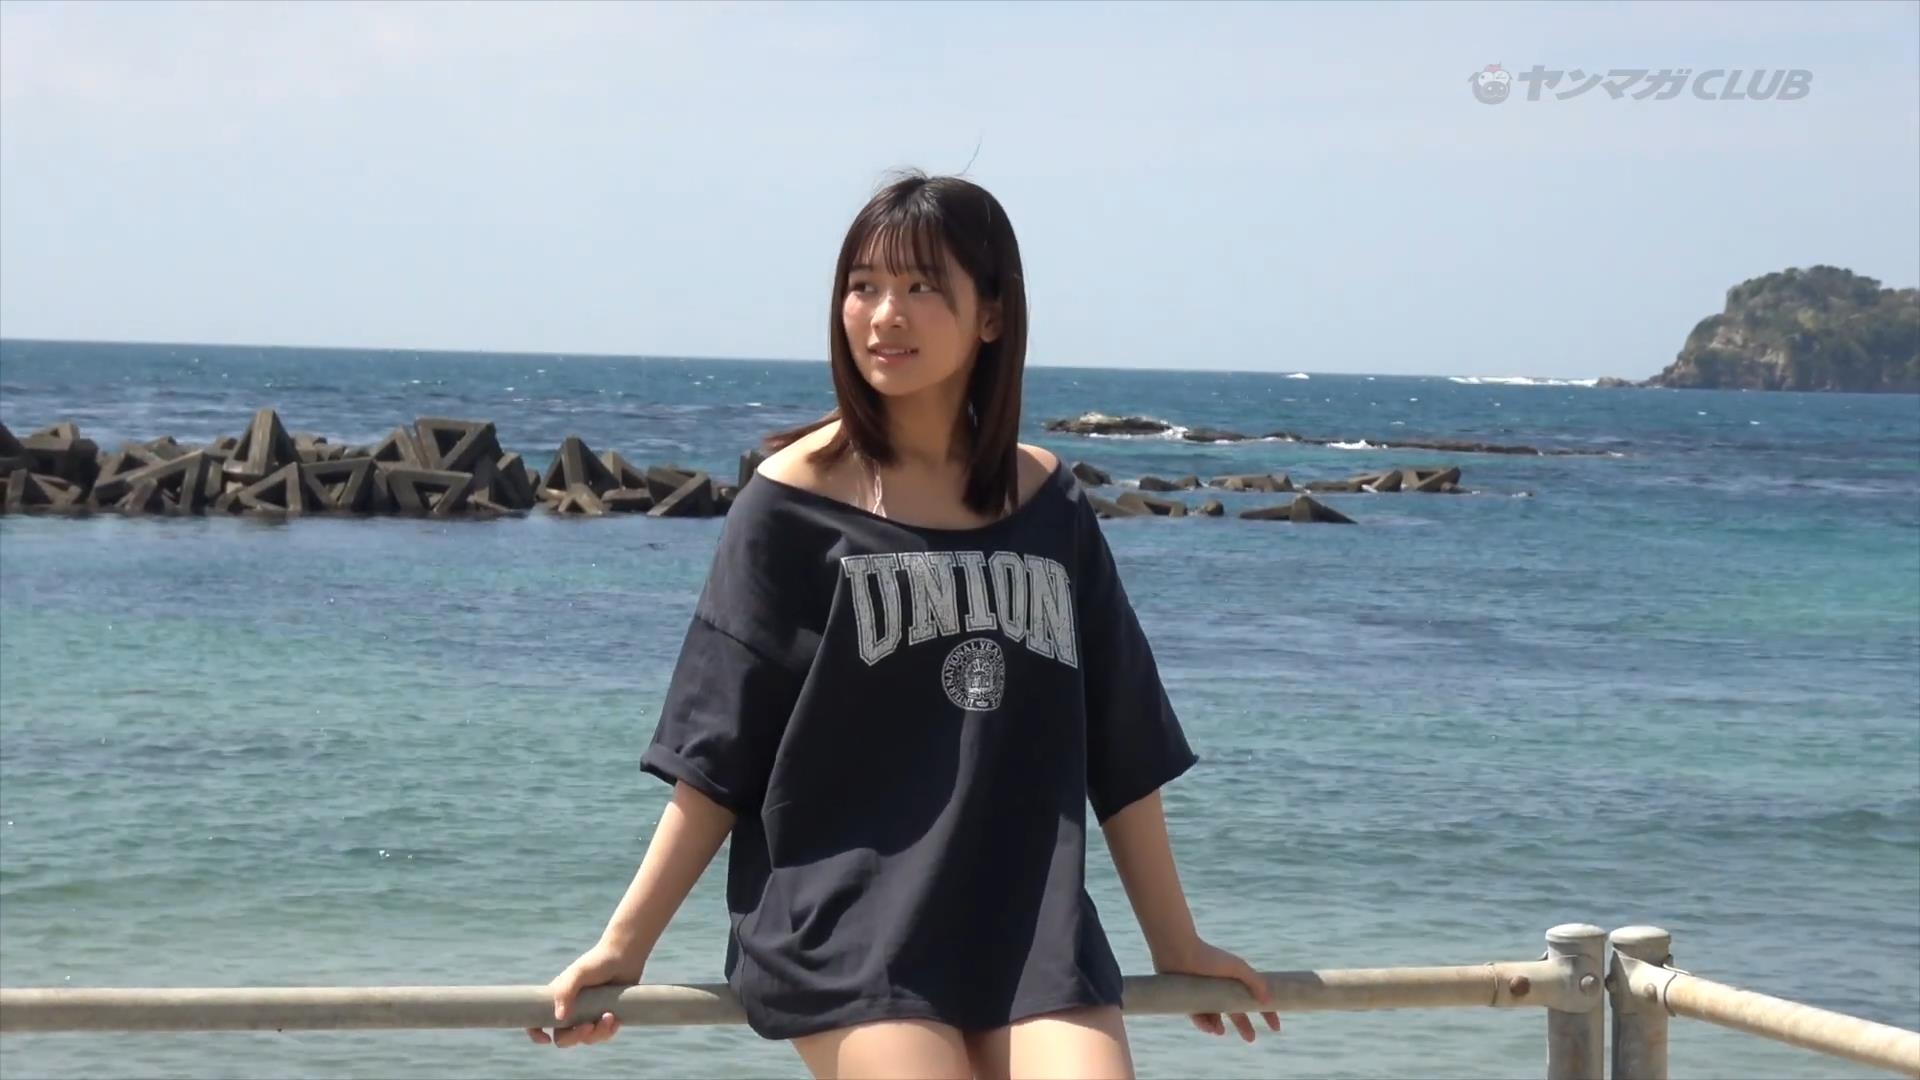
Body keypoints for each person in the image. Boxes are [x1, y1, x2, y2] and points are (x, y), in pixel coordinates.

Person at [527, 170, 1280, 1078]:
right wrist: (623, 946)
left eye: (923, 286)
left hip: (1027, 924)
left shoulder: (1050, 502)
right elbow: (716, 752)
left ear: (991, 314)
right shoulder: (789, 503)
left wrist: (1176, 942)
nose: (886, 314)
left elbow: (1123, 743)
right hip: (846, 929)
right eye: (864, 285)